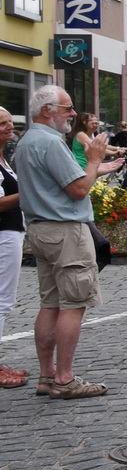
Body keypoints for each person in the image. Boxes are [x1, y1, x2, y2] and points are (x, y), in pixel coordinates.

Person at [16, 86, 125, 399]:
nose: (73, 114)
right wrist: (93, 160)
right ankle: (64, 379)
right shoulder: (50, 142)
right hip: (65, 230)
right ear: (47, 109)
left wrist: (94, 167)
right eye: (67, 108)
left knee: (50, 303)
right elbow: (78, 190)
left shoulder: (27, 141)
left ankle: (47, 376)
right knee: (73, 303)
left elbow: (58, 183)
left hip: (40, 228)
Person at [0, 110, 27, 388]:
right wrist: (28, 190)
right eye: (2, 123)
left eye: (9, 121)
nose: (10, 126)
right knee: (1, 302)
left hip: (10, 231)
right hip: (3, 233)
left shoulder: (3, 158)